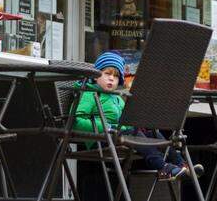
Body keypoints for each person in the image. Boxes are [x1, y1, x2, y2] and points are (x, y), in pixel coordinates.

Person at [73, 51, 198, 180]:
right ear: (95, 76)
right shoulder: (89, 94)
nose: (111, 78)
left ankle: (182, 164)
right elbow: (76, 121)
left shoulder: (116, 97)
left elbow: (127, 119)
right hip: (100, 140)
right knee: (133, 132)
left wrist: (137, 123)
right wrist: (109, 127)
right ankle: (163, 167)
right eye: (107, 73)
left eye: (116, 76)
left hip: (118, 136)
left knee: (152, 133)